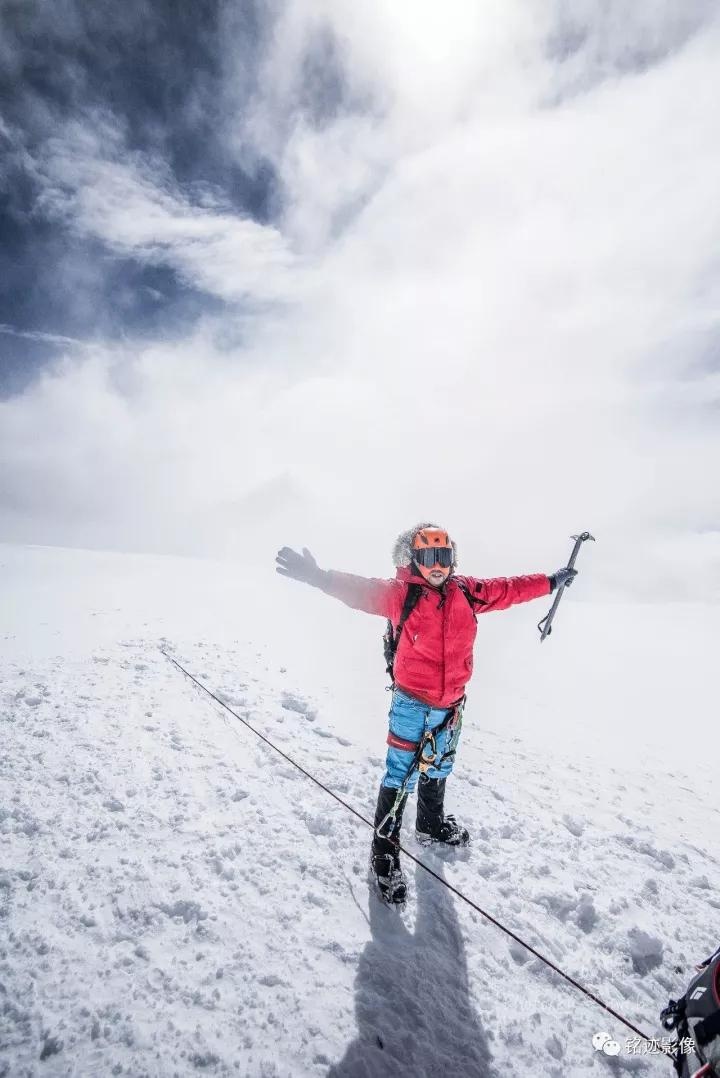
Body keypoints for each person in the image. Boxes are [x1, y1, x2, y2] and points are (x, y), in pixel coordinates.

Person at [275, 523, 576, 906]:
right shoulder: (401, 595)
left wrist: (550, 582)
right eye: (429, 558)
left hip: (451, 705)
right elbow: (360, 591)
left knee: (439, 766)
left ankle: (430, 824)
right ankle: (383, 853)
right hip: (411, 704)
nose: (437, 566)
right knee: (400, 777)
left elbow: (509, 588)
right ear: (414, 560)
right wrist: (319, 577)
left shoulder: (467, 591)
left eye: (443, 557)